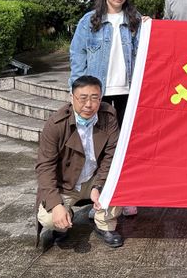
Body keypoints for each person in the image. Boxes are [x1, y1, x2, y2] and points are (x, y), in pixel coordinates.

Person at [69, 0, 141, 216]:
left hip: (127, 91)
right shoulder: (90, 21)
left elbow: (147, 50)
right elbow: (77, 55)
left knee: (124, 145)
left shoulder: (135, 20)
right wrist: (78, 89)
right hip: (98, 92)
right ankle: (99, 197)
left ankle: (124, 195)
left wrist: (151, 25)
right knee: (98, 146)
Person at [35, 75, 123, 248]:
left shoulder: (108, 116)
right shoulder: (56, 124)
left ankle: (104, 223)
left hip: (94, 178)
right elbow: (45, 167)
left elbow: (111, 155)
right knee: (49, 217)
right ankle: (63, 221)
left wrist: (99, 185)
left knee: (119, 182)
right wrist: (56, 205)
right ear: (72, 97)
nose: (89, 105)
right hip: (67, 183)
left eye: (95, 98)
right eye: (83, 98)